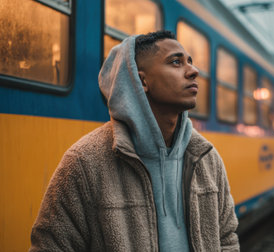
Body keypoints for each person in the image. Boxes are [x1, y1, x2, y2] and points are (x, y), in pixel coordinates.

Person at [30, 31, 239, 251]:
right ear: (142, 80)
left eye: (190, 62)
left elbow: (226, 237)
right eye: (176, 62)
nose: (194, 71)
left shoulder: (205, 157)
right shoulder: (85, 162)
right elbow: (51, 246)